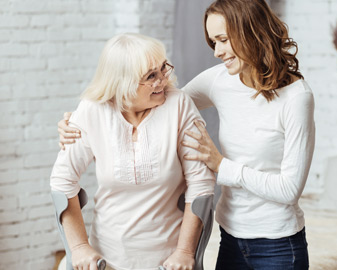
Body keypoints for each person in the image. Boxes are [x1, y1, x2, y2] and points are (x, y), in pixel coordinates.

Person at [58, 0, 315, 269]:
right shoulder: (220, 79)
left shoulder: (297, 98)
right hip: (231, 235)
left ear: (250, 31)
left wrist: (221, 165)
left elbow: (289, 190)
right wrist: (79, 122)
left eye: (223, 40)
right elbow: (163, 102)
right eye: (212, 42)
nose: (217, 52)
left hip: (277, 243)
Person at [51, 33, 215, 270]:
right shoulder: (92, 110)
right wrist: (78, 248)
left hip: (169, 261)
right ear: (122, 82)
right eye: (151, 76)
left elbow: (201, 184)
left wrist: (185, 252)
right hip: (106, 259)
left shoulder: (179, 105)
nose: (163, 81)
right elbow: (62, 180)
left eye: (162, 69)